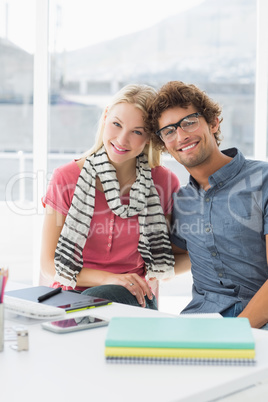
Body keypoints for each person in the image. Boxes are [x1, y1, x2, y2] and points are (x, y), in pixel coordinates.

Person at [40, 84, 180, 310]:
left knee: (110, 297)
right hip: (69, 296)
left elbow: (172, 258)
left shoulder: (163, 182)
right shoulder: (66, 177)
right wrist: (109, 278)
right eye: (117, 124)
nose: (122, 140)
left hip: (133, 297)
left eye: (137, 131)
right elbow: (48, 266)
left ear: (150, 138)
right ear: (105, 117)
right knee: (96, 300)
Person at [149, 80, 268, 328]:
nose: (181, 136)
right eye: (169, 131)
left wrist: (233, 333)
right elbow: (175, 254)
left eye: (189, 122)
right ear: (166, 145)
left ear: (213, 122)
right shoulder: (182, 201)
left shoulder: (262, 181)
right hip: (199, 321)